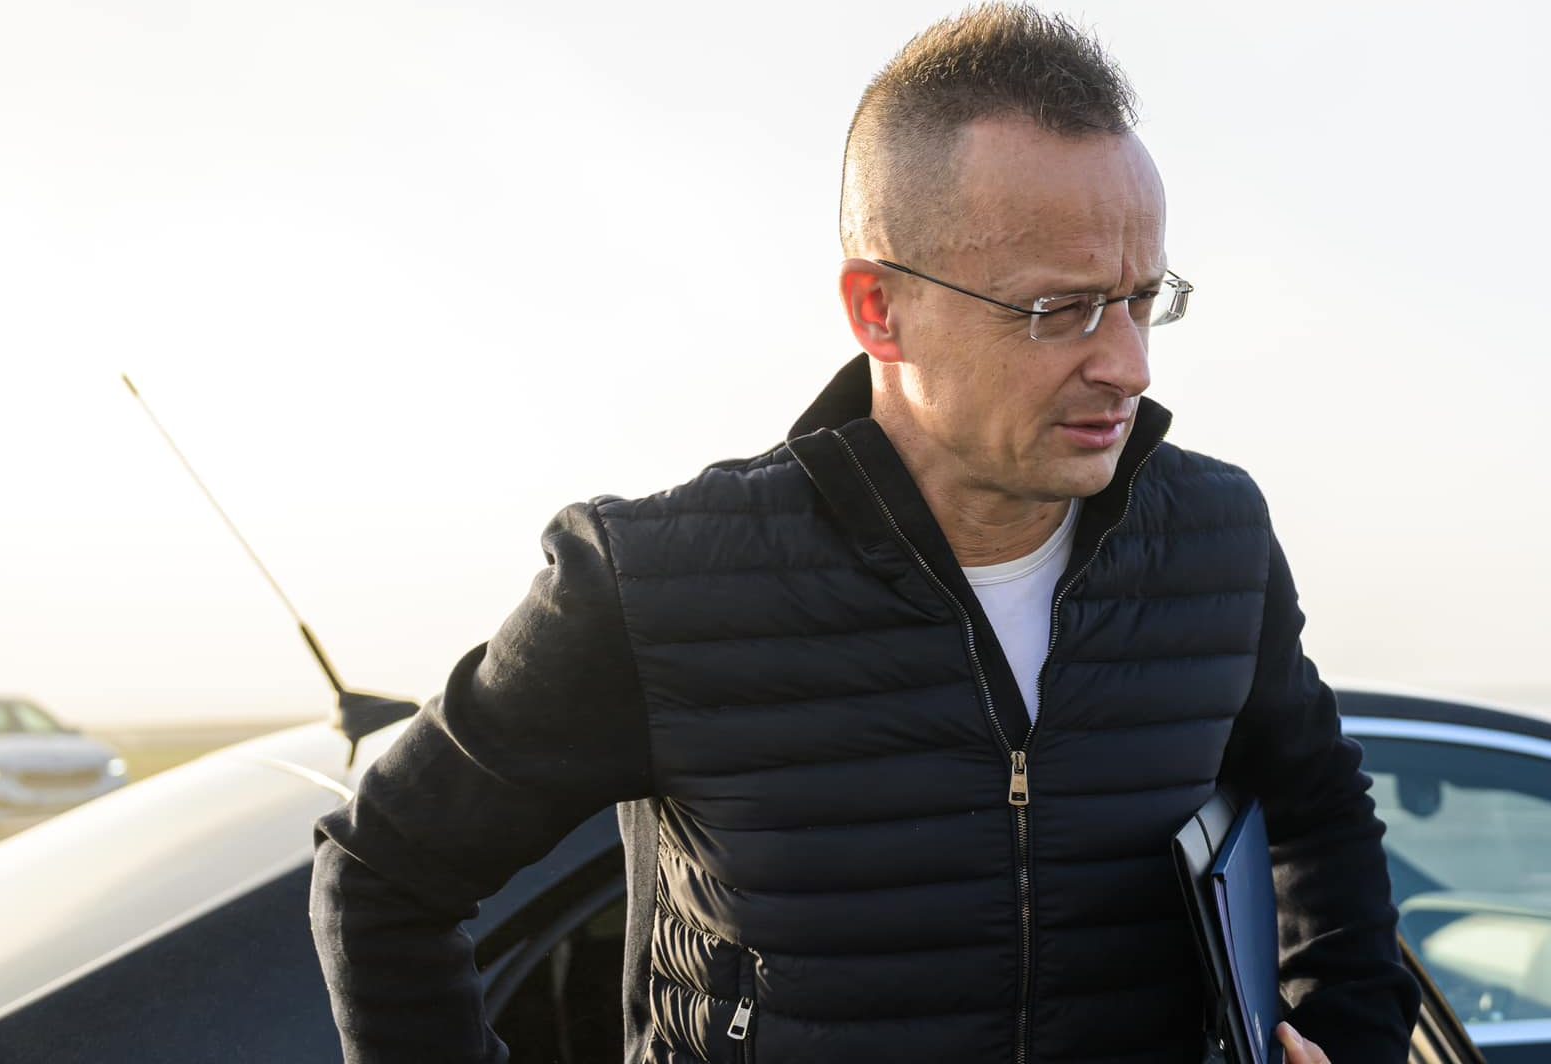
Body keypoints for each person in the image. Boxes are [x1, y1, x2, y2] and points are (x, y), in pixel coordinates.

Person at [310, 5, 1419, 1062]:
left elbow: (1319, 814)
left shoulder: (1214, 541)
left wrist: (1346, 1034)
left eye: (1139, 299)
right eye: (1059, 309)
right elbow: (383, 875)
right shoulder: (656, 585)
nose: (1127, 364)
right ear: (878, 309)